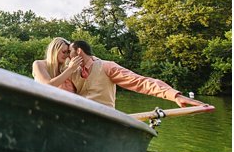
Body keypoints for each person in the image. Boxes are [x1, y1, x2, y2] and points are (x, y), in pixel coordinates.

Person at [68, 40, 205, 108]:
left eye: (70, 51)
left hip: (103, 115)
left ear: (79, 51)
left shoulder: (107, 66)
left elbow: (140, 82)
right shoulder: (71, 71)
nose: (68, 55)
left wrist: (175, 96)